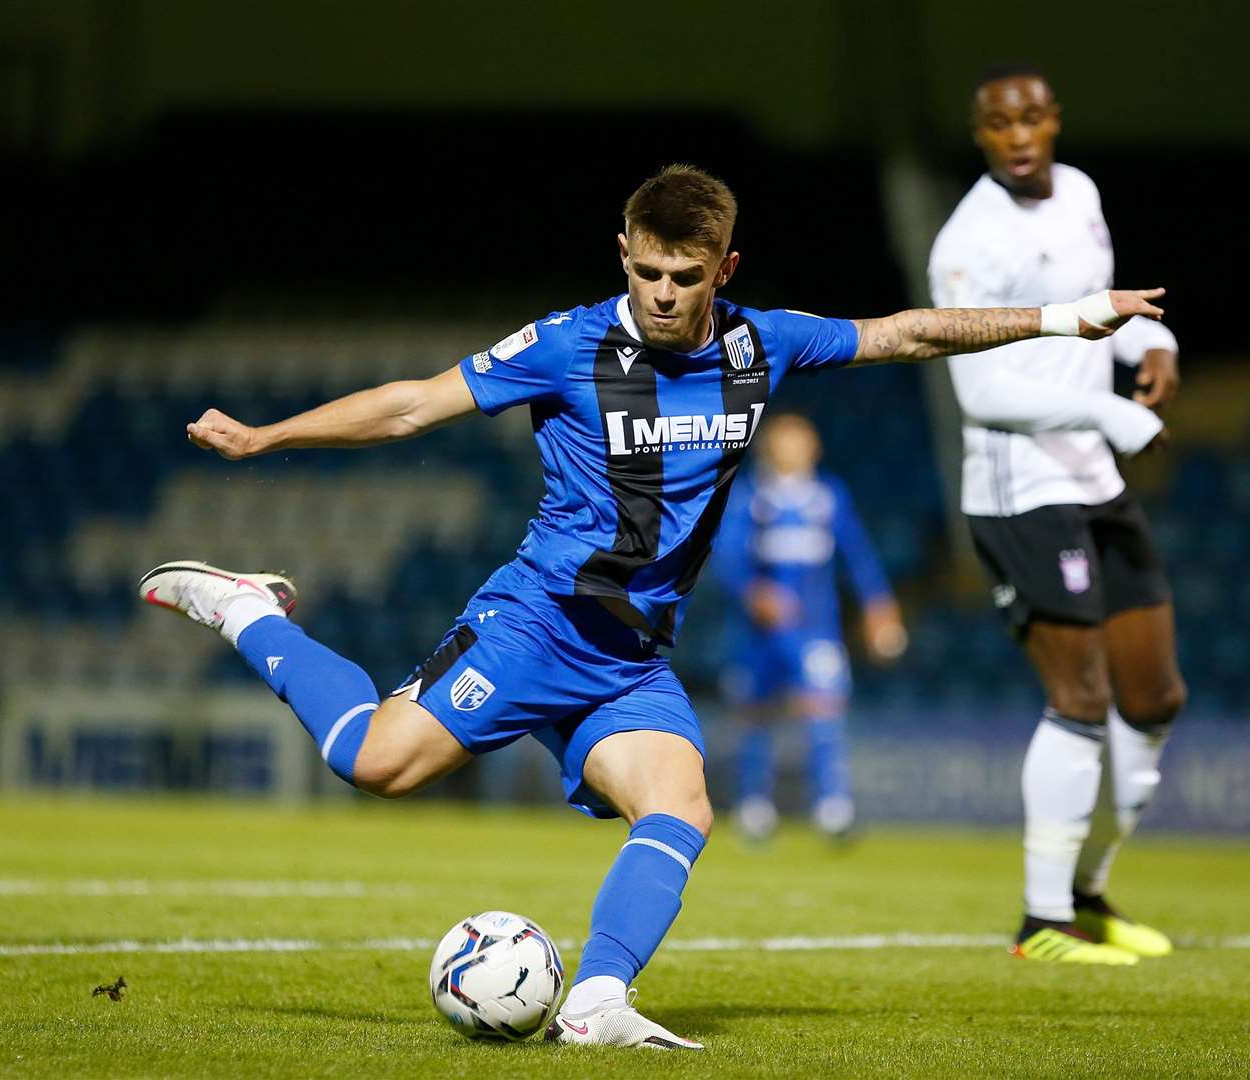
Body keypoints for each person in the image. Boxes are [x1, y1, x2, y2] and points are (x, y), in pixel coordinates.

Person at [143, 163, 1167, 1046]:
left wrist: (1065, 317)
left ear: (723, 268)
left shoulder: (762, 345)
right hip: (537, 624)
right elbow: (414, 401)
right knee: (374, 764)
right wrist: (267, 438)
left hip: (629, 659)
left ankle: (593, 1000)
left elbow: (905, 334)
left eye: (685, 277)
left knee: (680, 806)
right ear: (622, 252)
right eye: (644, 272)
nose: (662, 295)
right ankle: (251, 613)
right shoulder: (567, 344)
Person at [927, 66, 1187, 966]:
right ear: (982, 136)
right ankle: (1043, 922)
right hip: (1019, 485)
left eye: (1035, 116)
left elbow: (1100, 306)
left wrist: (1153, 343)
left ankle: (1089, 893)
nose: (1022, 133)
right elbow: (982, 386)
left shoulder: (1078, 191)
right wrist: (1106, 412)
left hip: (1092, 472)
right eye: (1002, 123)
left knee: (1153, 696)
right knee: (1079, 698)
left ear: (1056, 120)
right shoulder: (968, 240)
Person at [712, 412, 906, 841]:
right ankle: (754, 804)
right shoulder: (750, 497)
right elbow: (726, 558)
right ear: (768, 447)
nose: (793, 449)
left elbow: (858, 554)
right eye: (785, 441)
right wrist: (753, 592)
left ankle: (833, 806)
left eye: (801, 441)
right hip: (757, 634)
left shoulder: (829, 496)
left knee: (824, 710)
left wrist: (878, 604)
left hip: (817, 629)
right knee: (755, 715)